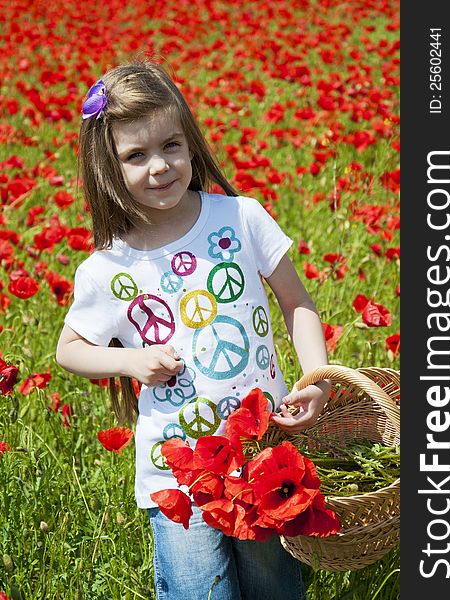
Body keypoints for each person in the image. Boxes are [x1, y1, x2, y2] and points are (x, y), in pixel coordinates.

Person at [56, 60, 331, 600]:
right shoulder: (107, 269)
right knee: (198, 591)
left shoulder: (240, 218)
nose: (159, 166)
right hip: (178, 470)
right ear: (106, 166)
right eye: (136, 155)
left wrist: (317, 379)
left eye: (171, 146)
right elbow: (70, 350)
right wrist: (129, 362)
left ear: (191, 142)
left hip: (263, 451)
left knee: (272, 586)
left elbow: (298, 303)